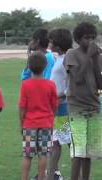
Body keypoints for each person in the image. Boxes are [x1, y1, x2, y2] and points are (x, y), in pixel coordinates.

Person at [64, 22, 102, 180]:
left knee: (89, 153)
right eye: (87, 38)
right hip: (77, 108)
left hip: (93, 107)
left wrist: (97, 59)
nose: (91, 41)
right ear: (78, 39)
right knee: (78, 153)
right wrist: (88, 56)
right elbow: (78, 78)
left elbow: (100, 84)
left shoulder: (94, 56)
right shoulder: (71, 54)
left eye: (93, 38)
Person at [19, 51, 58, 180]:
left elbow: (22, 107)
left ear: (29, 67)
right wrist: (51, 117)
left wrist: (21, 124)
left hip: (29, 124)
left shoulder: (26, 85)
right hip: (46, 124)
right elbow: (54, 105)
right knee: (43, 155)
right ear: (46, 66)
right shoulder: (51, 85)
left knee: (27, 155)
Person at [47, 28, 73, 180]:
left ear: (57, 43)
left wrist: (61, 95)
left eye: (51, 41)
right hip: (56, 108)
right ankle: (52, 175)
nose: (49, 43)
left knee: (63, 143)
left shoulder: (66, 59)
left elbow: (72, 82)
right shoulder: (60, 57)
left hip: (62, 107)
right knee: (57, 142)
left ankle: (52, 176)